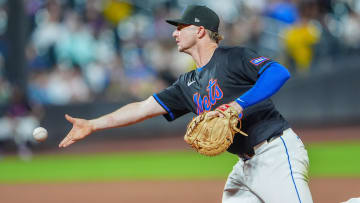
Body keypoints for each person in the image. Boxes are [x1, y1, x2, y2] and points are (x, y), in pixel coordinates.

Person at [59, 5, 313, 203]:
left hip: (274, 153)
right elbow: (142, 108)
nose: (174, 33)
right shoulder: (187, 83)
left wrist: (237, 106)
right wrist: (92, 124)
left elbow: (279, 73)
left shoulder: (234, 57)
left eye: (180, 27)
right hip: (245, 166)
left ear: (200, 30)